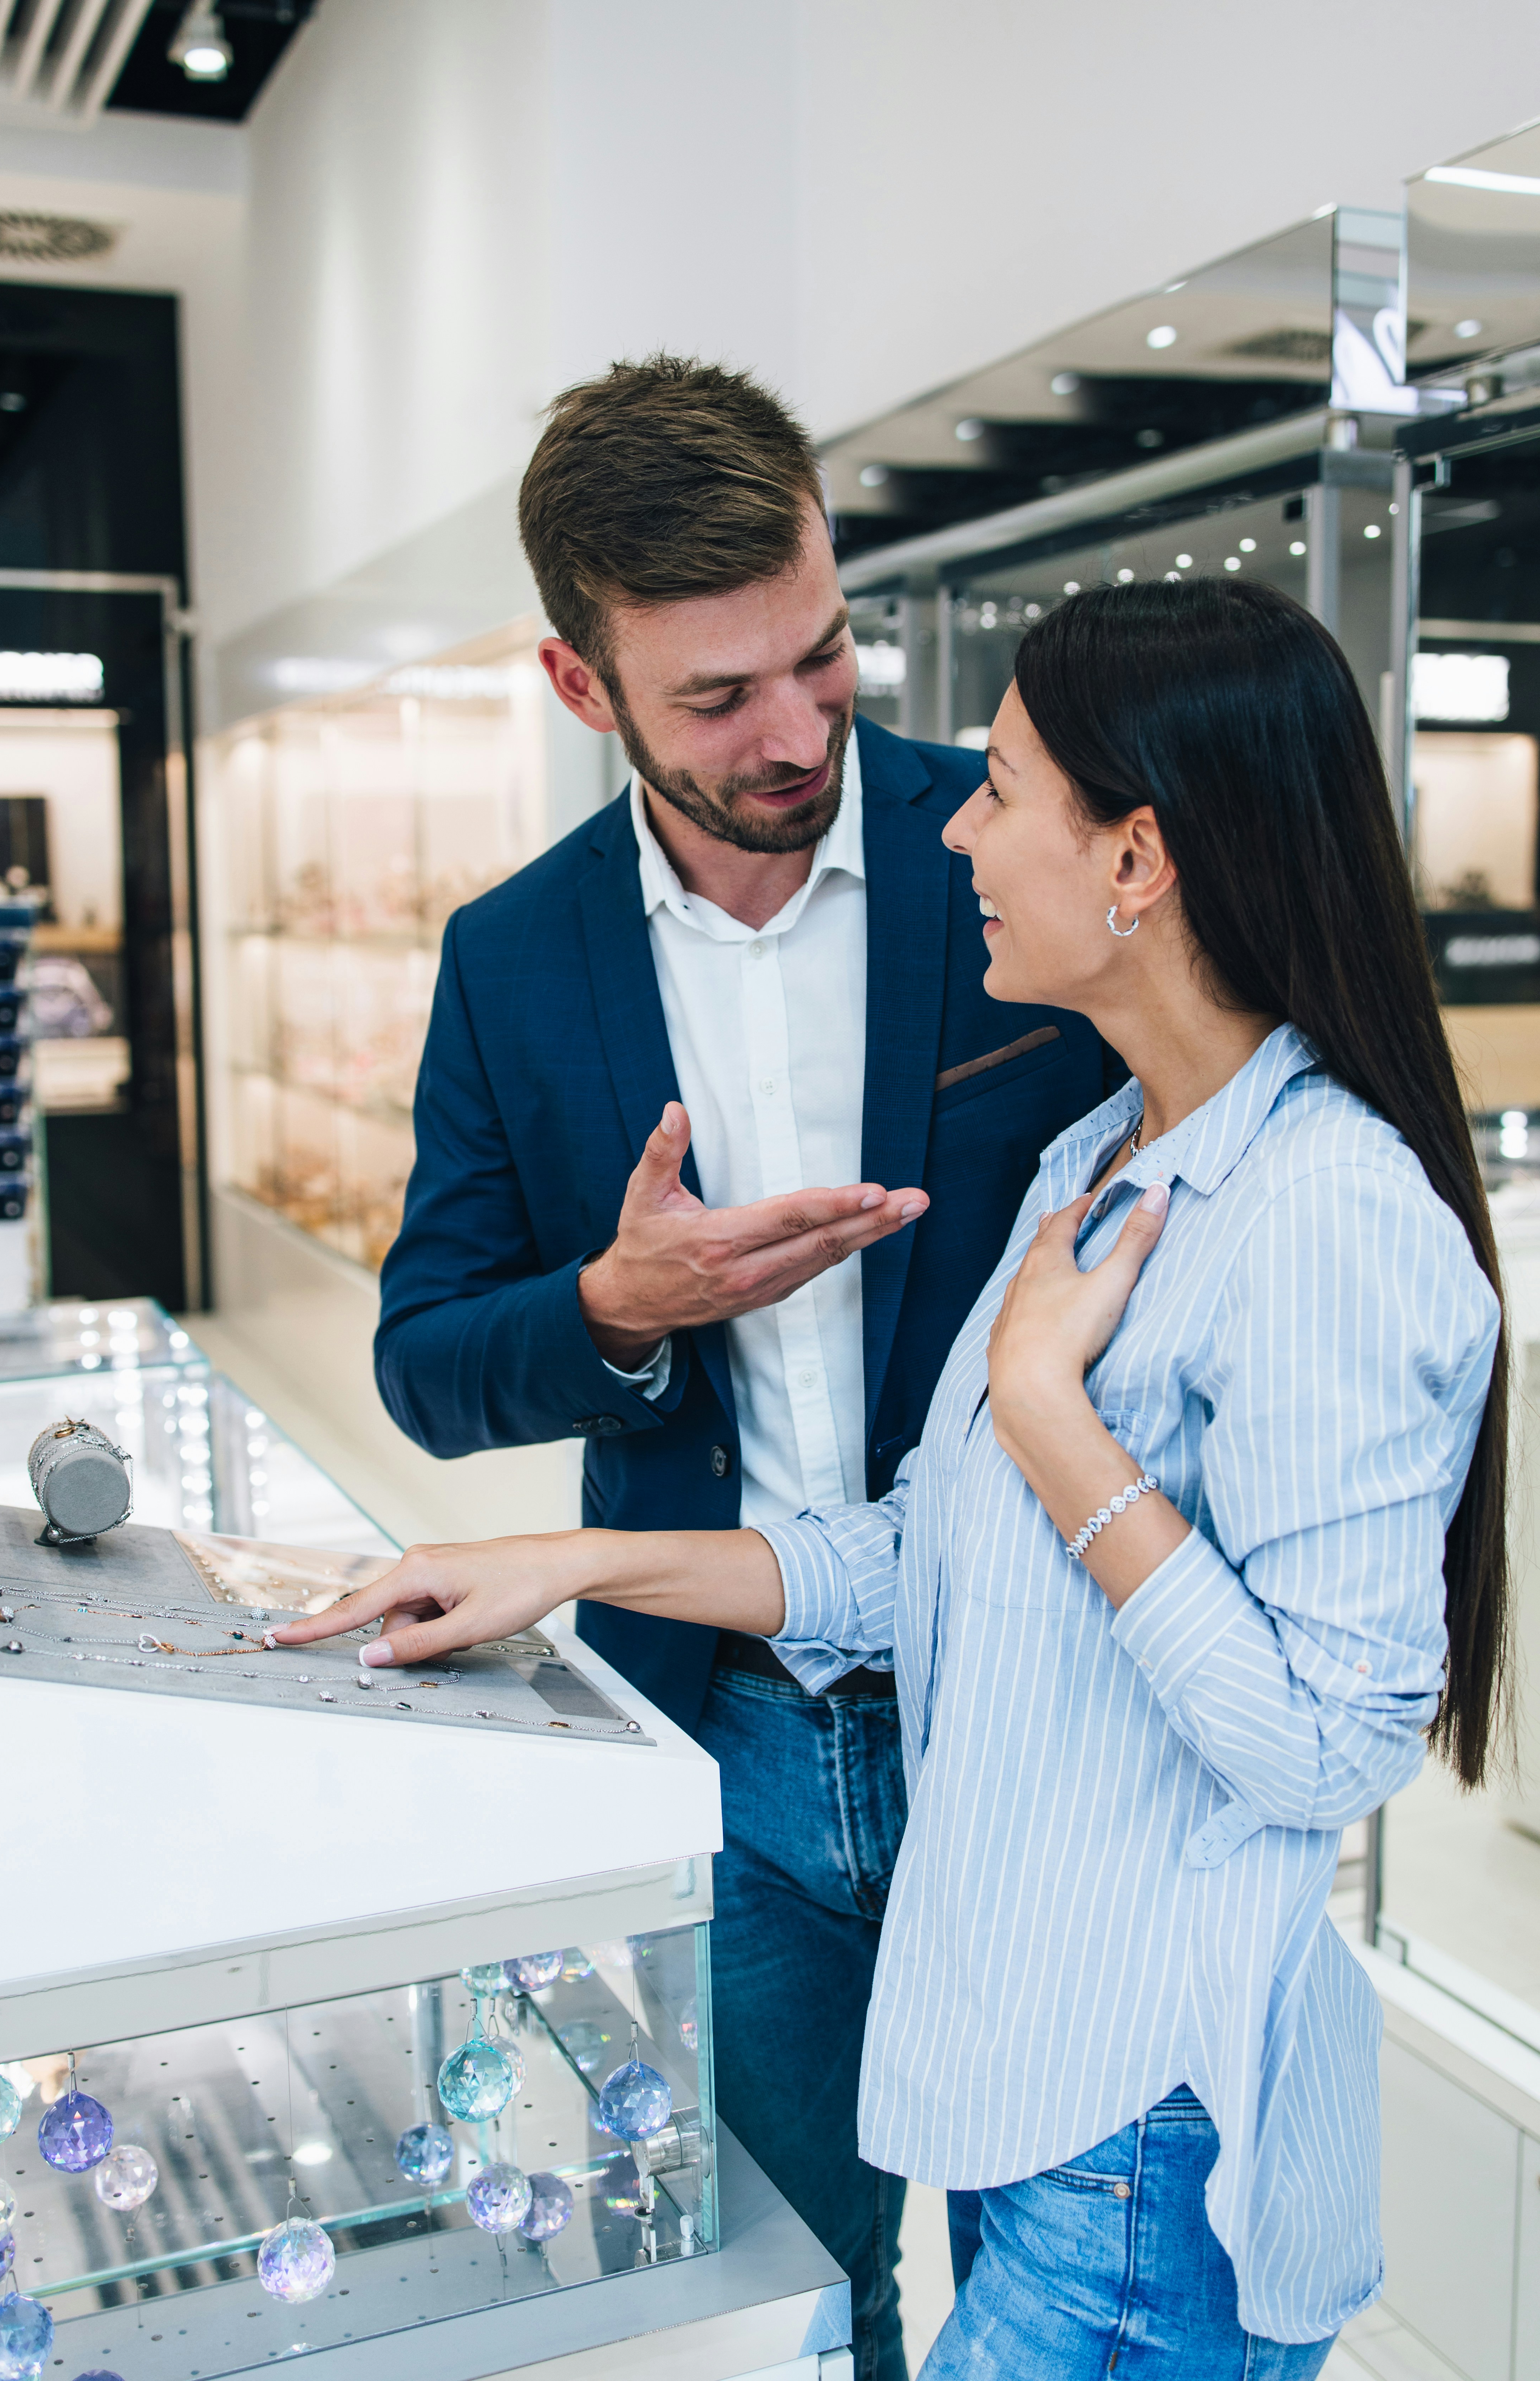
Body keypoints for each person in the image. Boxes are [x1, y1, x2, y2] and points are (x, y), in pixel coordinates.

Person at [283, 575, 1508, 2374]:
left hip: (1143, 2123)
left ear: (1138, 863)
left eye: (1001, 789)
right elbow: (917, 1546)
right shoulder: (1103, 1152)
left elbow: (1331, 1749)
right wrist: (566, 1562)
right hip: (1037, 2078)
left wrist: (1047, 1415)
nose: (950, 824)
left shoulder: (1327, 1218)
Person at [367, 355, 1116, 2379]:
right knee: (813, 2286)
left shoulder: (1032, 848)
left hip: (1039, 1722)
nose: (796, 733)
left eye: (822, 652)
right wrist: (617, 1308)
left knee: (1060, 2288)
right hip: (732, 1742)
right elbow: (426, 1363)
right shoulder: (514, 960)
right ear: (578, 684)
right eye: (716, 698)